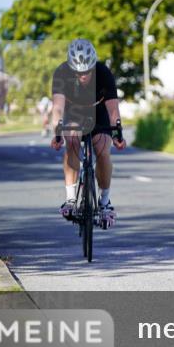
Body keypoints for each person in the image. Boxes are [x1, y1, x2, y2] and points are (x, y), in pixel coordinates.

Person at [50, 39, 126, 228]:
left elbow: (113, 110)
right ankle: (70, 198)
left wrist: (117, 134)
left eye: (87, 71)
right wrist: (57, 132)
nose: (83, 75)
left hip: (98, 112)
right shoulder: (62, 72)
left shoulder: (103, 73)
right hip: (74, 112)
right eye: (79, 71)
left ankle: (105, 201)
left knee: (102, 149)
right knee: (73, 139)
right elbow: (58, 108)